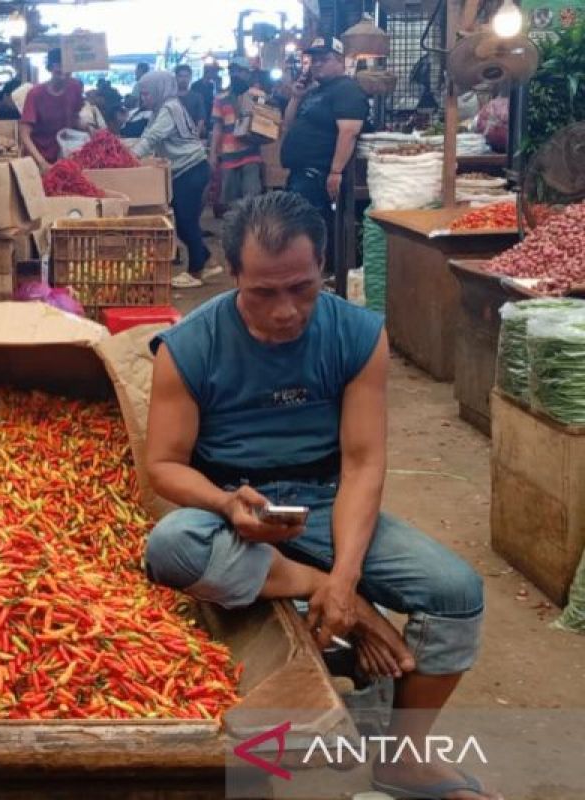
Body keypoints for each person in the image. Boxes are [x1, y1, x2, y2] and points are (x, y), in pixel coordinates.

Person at [144, 192, 493, 800]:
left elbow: (363, 463)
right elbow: (165, 467)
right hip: (236, 508)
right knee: (172, 545)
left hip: (326, 500)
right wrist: (229, 507)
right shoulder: (188, 347)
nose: (285, 311)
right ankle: (332, 605)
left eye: (302, 288)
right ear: (233, 275)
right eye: (264, 293)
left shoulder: (356, 335)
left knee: (456, 591)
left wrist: (348, 570)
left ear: (324, 266)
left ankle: (403, 757)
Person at [281, 35, 368, 270]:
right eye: (314, 59)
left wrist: (336, 171)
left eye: (324, 59)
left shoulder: (346, 90)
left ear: (340, 61)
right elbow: (288, 124)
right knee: (300, 226)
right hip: (301, 173)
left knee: (310, 227)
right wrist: (297, 97)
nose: (317, 64)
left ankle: (319, 273)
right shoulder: (316, 91)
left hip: (318, 174)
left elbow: (348, 131)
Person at [130, 71, 211, 288]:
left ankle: (196, 271)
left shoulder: (169, 108)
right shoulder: (162, 109)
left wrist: (129, 159)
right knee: (183, 220)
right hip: (185, 170)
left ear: (159, 90)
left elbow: (152, 137)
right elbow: (147, 137)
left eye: (147, 93)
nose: (143, 98)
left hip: (191, 168)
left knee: (185, 221)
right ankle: (202, 254)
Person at [209, 56, 264, 210]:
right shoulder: (221, 98)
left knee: (252, 197)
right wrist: (213, 153)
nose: (236, 74)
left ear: (248, 74)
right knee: (230, 200)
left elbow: (266, 120)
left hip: (251, 153)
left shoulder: (258, 95)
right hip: (229, 155)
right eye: (233, 70)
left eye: (240, 71)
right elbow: (217, 127)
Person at [19, 48, 85, 172]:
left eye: (67, 69)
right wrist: (42, 163)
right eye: (58, 68)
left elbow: (75, 117)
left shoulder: (75, 87)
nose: (63, 75)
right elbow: (24, 133)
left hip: (65, 153)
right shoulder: (35, 94)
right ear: (49, 68)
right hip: (39, 155)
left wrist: (90, 129)